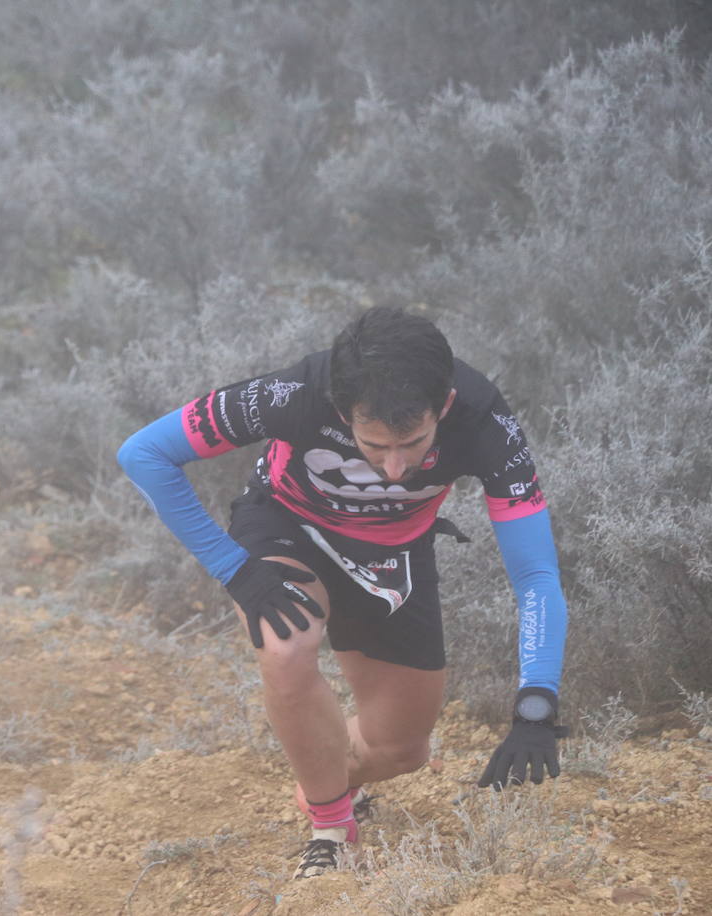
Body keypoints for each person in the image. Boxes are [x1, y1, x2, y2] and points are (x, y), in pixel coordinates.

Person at [117, 306, 569, 878]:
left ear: (444, 405)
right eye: (374, 445)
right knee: (284, 645)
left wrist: (536, 706)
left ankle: (327, 778)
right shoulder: (294, 393)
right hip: (287, 522)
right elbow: (144, 454)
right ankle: (332, 826)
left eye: (414, 442)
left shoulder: (483, 418)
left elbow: (534, 576)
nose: (395, 469)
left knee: (402, 751)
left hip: (392, 552)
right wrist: (236, 569)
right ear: (340, 409)